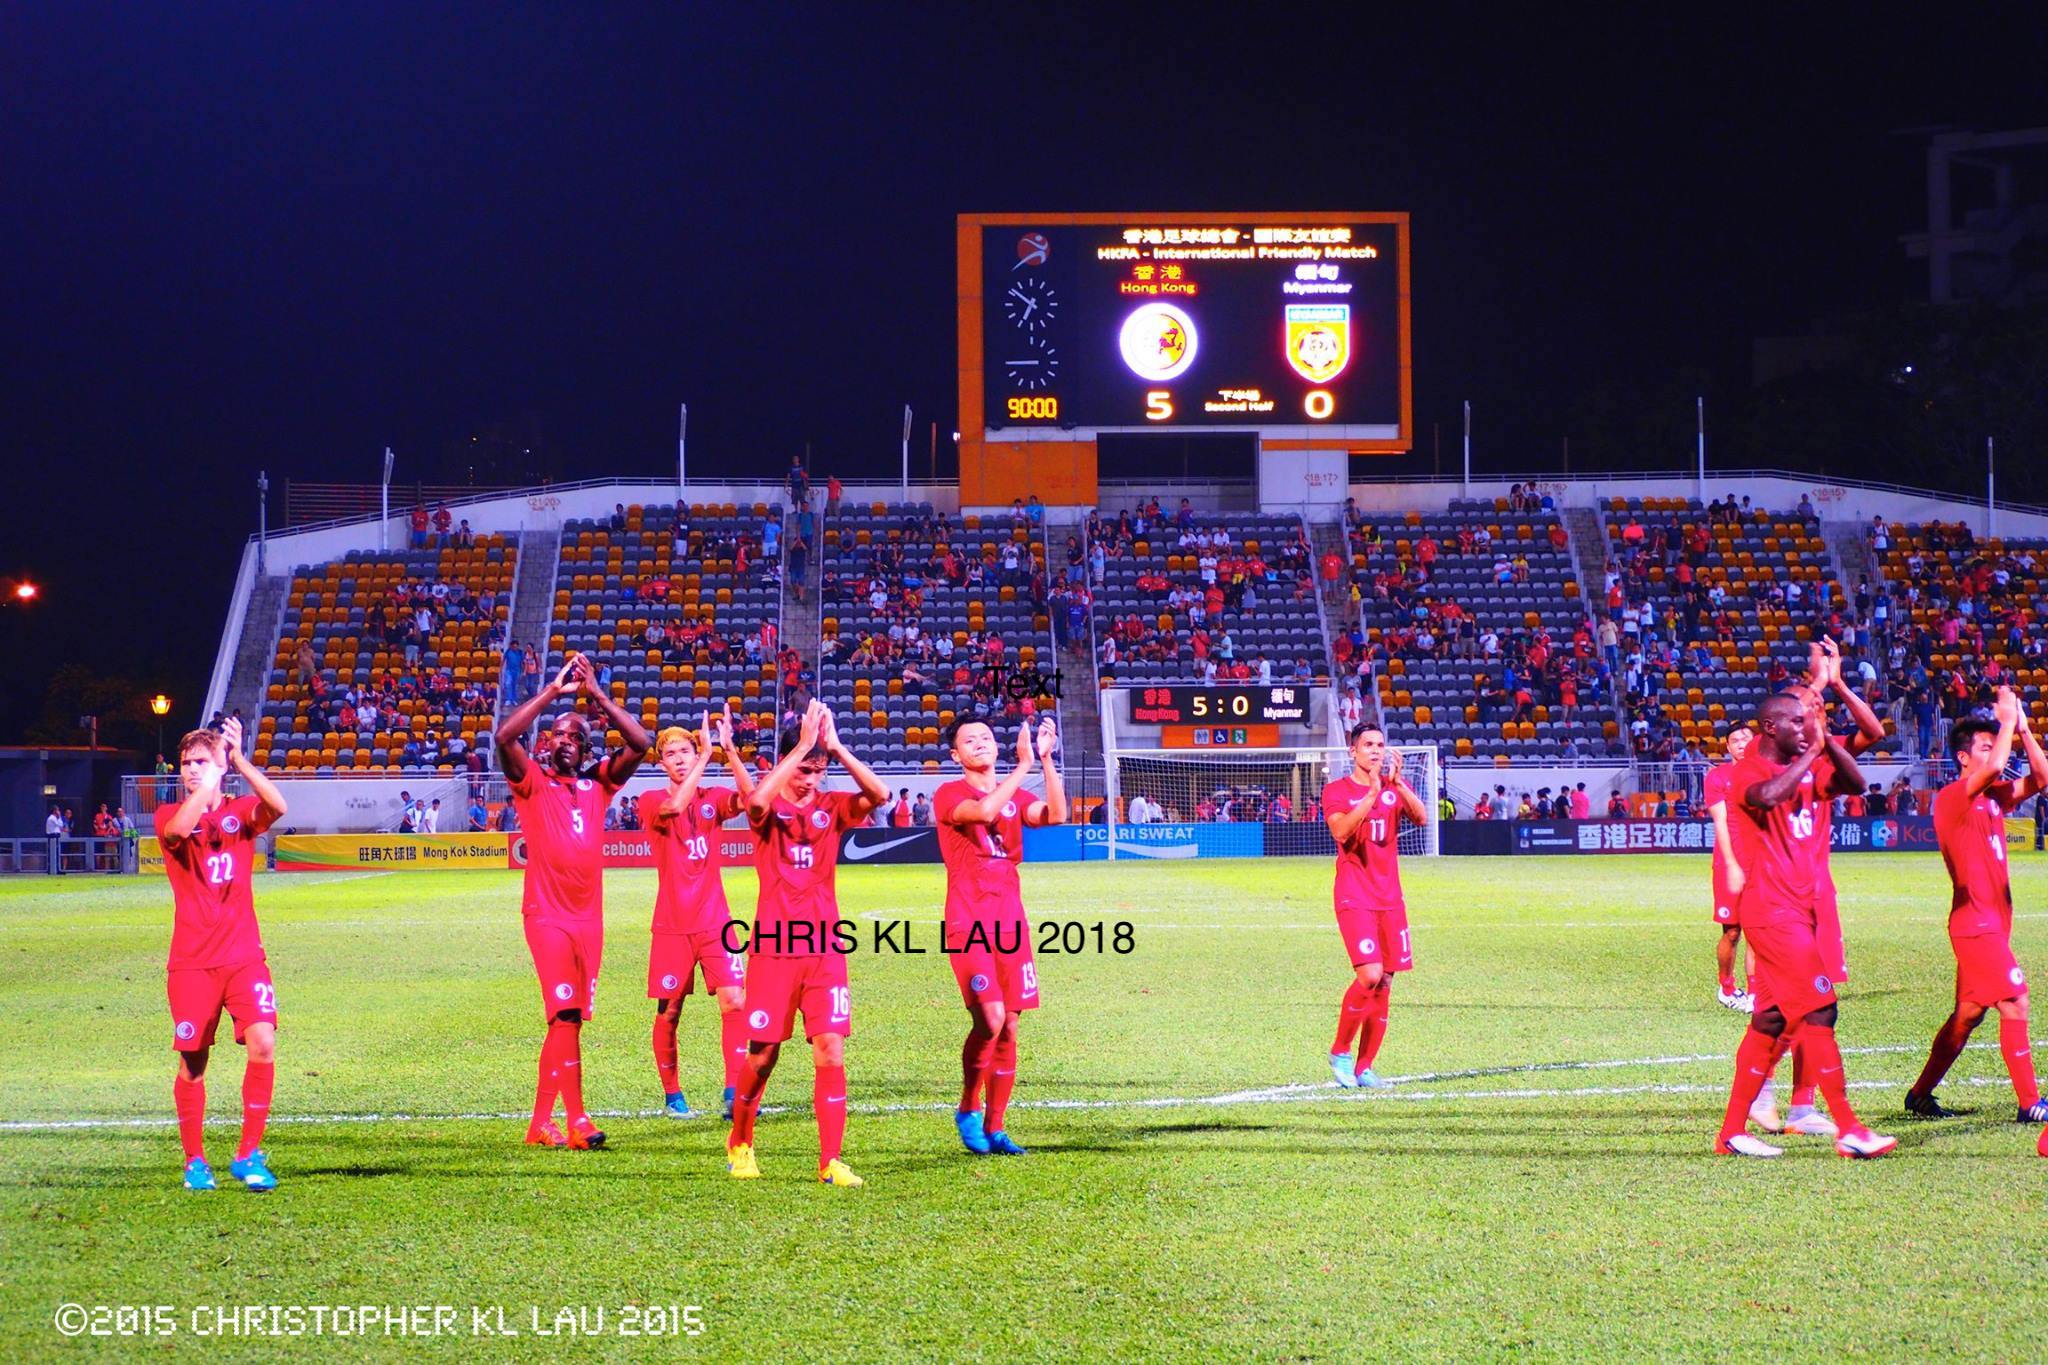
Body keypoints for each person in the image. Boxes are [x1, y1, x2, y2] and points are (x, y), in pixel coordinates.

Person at [1713, 691, 1894, 1159]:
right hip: (1773, 912)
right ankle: (1849, 1128)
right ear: (1771, 728)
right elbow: (1768, 797)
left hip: (1804, 912)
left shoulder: (1812, 765)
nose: (1805, 727)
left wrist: (1825, 739)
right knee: (1820, 1010)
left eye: (1808, 721)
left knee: (1771, 1019)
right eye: (1797, 722)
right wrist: (1813, 750)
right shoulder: (1749, 771)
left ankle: (1732, 1132)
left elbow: (1854, 783)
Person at [725, 700, 888, 1187]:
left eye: (819, 770)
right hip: (775, 948)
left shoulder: (832, 808)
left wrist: (834, 745)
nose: (811, 778)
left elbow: (878, 794)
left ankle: (830, 1160)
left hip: (824, 949)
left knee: (831, 1050)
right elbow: (754, 804)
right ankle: (740, 1142)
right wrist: (797, 747)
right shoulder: (768, 806)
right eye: (804, 768)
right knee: (763, 1054)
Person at [495, 652, 651, 1151]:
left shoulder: (598, 784)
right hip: (547, 916)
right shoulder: (531, 782)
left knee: (570, 1020)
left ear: (586, 749)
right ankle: (578, 1118)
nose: (563, 741)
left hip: (589, 919)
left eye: (574, 737)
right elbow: (503, 737)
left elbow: (642, 743)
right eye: (557, 734)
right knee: (563, 1015)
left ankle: (542, 1123)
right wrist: (553, 694)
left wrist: (599, 696)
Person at [155, 718, 289, 1192]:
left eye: (201, 762)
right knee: (193, 1062)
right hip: (192, 963)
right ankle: (195, 1161)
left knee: (264, 1043)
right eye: (187, 763)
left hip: (244, 957)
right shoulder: (169, 814)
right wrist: (208, 782)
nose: (191, 769)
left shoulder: (240, 813)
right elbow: (180, 829)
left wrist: (237, 762)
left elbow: (278, 805)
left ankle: (248, 1155)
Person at [1905, 691, 2048, 1122]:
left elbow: (2041, 778)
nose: (1996, 753)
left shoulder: (1992, 798)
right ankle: (2030, 1104)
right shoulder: (1953, 797)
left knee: (1966, 1018)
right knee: (2015, 1000)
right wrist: (2005, 723)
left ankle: (1919, 1095)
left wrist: (2021, 727)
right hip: (1976, 926)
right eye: (1985, 747)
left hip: (1991, 924)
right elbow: (1993, 767)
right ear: (1964, 758)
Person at [936, 715, 1067, 1156]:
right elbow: (986, 810)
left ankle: (996, 1127)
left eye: (986, 738)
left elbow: (1056, 814)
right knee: (989, 1019)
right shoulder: (949, 794)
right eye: (969, 740)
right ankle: (968, 1108)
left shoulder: (1014, 795)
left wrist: (1046, 761)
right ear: (956, 755)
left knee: (1010, 1025)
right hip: (967, 923)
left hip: (1011, 922)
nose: (980, 744)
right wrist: (1023, 765)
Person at [640, 706, 756, 1121]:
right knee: (670, 1011)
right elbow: (673, 808)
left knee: (736, 1002)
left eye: (687, 750)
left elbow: (751, 801)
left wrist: (730, 753)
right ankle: (673, 1096)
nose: (680, 758)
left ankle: (734, 1091)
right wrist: (708, 758)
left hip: (716, 922)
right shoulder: (651, 800)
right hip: (672, 925)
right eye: (671, 753)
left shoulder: (713, 800)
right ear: (661, 762)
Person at [1322, 724, 1427, 1090]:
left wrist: (1395, 786)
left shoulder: (1394, 788)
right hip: (1354, 895)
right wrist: (1370, 795)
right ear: (1353, 751)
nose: (1375, 751)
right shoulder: (1337, 790)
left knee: (1384, 983)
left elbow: (1422, 817)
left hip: (1390, 899)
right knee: (1369, 975)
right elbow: (1341, 832)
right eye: (1368, 745)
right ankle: (1340, 1051)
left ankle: (1365, 1068)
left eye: (1380, 745)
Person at [1703, 722, 1757, 1013]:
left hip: (1762, 864)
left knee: (1758, 931)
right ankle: (1726, 987)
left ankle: (1755, 993)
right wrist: (1732, 863)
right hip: (1729, 864)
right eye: (1735, 740)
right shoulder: (1718, 776)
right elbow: (1720, 821)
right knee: (1733, 932)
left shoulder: (1769, 774)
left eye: (1746, 738)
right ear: (1727, 747)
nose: (1740, 743)